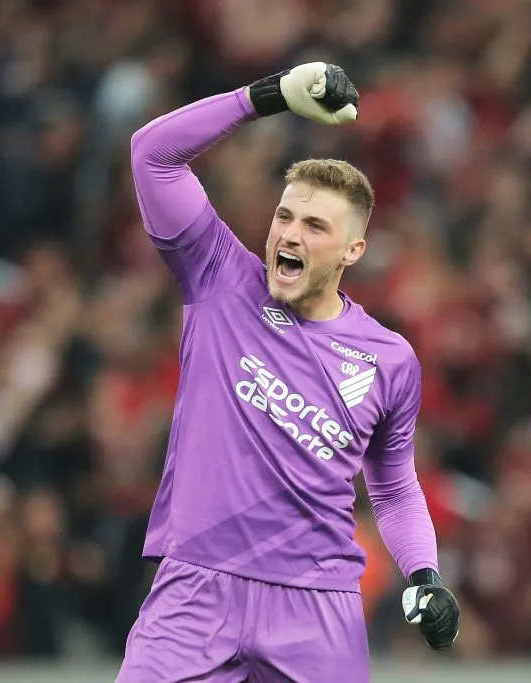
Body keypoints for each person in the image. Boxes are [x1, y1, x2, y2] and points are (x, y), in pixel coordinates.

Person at [116, 63, 460, 683]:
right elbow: (152, 155)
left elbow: (393, 490)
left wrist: (424, 574)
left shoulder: (389, 360)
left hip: (316, 608)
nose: (289, 235)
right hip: (196, 590)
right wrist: (267, 96)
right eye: (284, 217)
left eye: (314, 225)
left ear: (352, 251)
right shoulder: (221, 280)